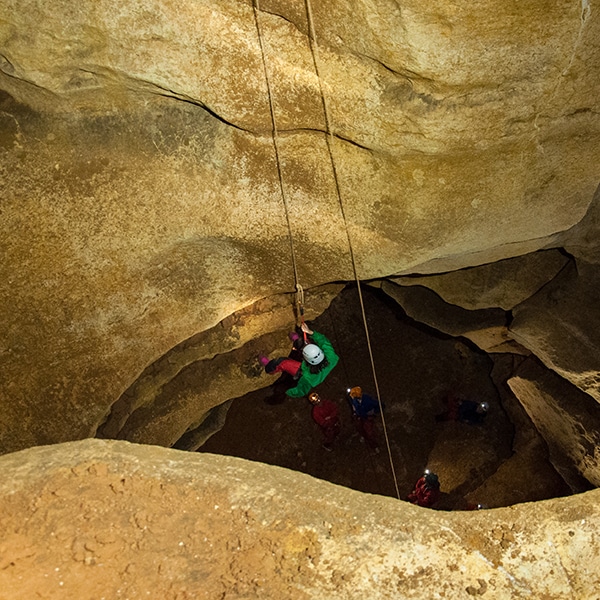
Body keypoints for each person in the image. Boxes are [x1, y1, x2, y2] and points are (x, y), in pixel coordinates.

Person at [284, 324, 339, 398]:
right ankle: (294, 337)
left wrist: (285, 392)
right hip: (306, 363)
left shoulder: (310, 378)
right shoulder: (331, 357)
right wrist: (309, 331)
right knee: (300, 341)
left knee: (284, 362)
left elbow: (300, 391)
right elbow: (324, 341)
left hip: (302, 370)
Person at [347, 386, 382, 451]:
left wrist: (373, 412)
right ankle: (364, 436)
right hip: (359, 416)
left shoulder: (368, 400)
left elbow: (378, 405)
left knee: (369, 433)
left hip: (367, 417)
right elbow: (354, 407)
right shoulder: (354, 400)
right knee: (359, 428)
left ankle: (374, 446)